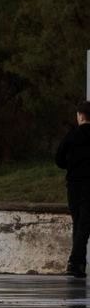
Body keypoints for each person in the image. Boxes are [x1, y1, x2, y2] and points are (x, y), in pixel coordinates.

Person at [55, 100, 90, 278]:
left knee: (78, 223)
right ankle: (76, 262)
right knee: (84, 224)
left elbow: (59, 159)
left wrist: (71, 164)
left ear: (80, 115)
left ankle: (78, 263)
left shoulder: (71, 135)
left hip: (74, 185)